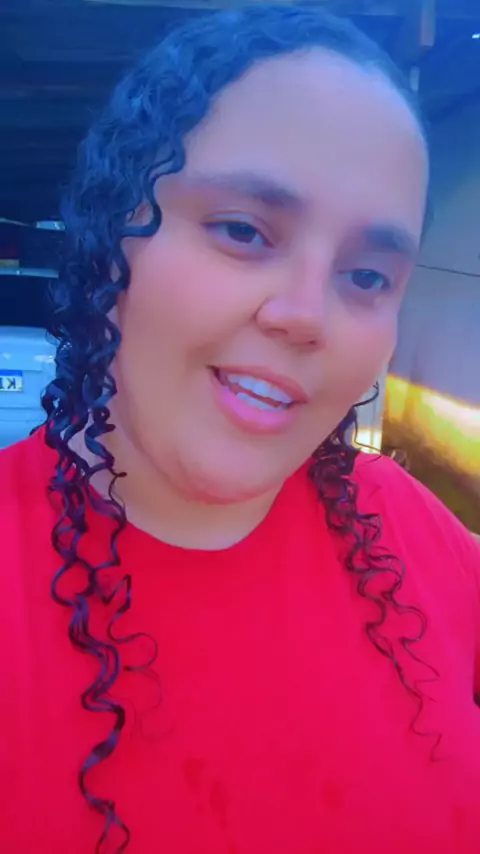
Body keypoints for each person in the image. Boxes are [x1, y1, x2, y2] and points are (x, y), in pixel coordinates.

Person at [1, 5, 479, 854]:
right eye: (242, 231)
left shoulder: (408, 529)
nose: (306, 315)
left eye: (367, 276)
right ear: (112, 238)